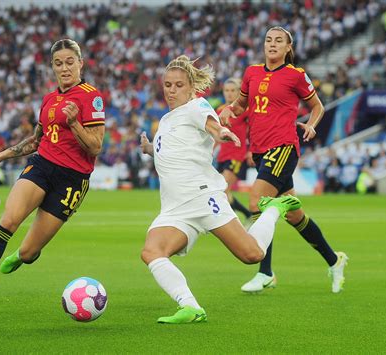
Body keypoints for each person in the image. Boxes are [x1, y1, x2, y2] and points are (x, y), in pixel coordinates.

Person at [0, 38, 106, 314]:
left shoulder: (91, 96)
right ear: (52, 67)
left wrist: (74, 123)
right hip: (41, 166)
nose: (65, 68)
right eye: (58, 63)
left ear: (80, 63)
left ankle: (23, 255)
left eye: (70, 62)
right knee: (8, 221)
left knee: (29, 252)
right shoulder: (48, 99)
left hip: (72, 181)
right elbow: (35, 141)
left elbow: (95, 146)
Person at [139, 55, 302, 324]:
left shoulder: (196, 106)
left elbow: (211, 124)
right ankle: (190, 306)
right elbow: (171, 150)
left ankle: (273, 209)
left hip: (203, 198)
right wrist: (149, 149)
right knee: (151, 252)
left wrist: (220, 132)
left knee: (252, 255)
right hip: (175, 209)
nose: (171, 90)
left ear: (192, 87)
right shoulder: (167, 120)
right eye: (167, 85)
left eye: (178, 85)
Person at [219, 27, 348, 294]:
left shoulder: (295, 75)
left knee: (258, 202)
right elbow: (242, 105)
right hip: (260, 150)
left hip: (284, 147)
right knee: (293, 215)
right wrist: (231, 110)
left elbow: (317, 107)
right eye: (268, 40)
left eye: (279, 41)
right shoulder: (252, 72)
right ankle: (334, 261)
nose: (272, 44)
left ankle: (265, 272)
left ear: (289, 47)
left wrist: (312, 125)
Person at [215, 78, 252, 220]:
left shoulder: (244, 111)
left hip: (237, 155)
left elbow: (253, 130)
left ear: (239, 92)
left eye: (233, 90)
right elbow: (216, 133)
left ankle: (231, 222)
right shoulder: (220, 111)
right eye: (226, 90)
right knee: (223, 191)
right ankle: (247, 215)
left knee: (223, 190)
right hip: (222, 156)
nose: (229, 94)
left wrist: (250, 150)